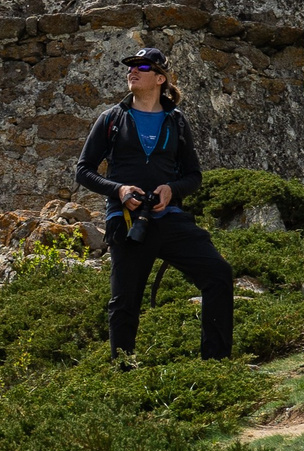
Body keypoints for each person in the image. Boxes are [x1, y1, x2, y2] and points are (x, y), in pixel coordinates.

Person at [73, 46, 234, 360]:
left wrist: (171, 190)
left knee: (218, 273)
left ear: (161, 78)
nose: (132, 71)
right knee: (124, 302)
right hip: (126, 221)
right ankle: (124, 373)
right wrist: (119, 190)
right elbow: (83, 170)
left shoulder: (177, 121)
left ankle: (217, 364)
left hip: (170, 219)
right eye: (131, 66)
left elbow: (194, 176)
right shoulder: (111, 119)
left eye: (143, 67)